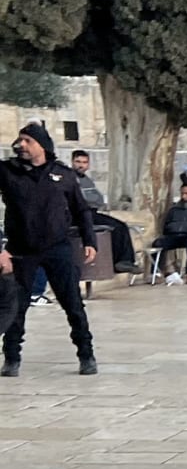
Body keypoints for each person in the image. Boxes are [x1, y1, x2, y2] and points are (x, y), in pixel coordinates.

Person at [0, 122, 97, 377]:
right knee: (16, 307)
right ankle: (11, 359)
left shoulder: (63, 175)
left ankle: (86, 354)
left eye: (27, 141)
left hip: (58, 248)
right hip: (21, 250)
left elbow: (81, 210)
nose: (21, 145)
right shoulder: (8, 172)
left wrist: (90, 241)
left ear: (41, 145)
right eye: (19, 140)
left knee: (73, 303)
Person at [68, 151, 136, 272]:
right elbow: (82, 199)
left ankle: (125, 261)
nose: (81, 165)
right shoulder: (70, 177)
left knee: (121, 226)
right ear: (72, 162)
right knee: (116, 227)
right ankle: (119, 262)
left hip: (91, 212)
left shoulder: (87, 180)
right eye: (78, 162)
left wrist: (92, 201)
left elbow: (98, 199)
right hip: (78, 215)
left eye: (84, 162)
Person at [151, 180, 187, 282]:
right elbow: (166, 226)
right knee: (158, 242)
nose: (184, 196)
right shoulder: (173, 210)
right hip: (174, 237)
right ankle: (156, 273)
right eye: (182, 193)